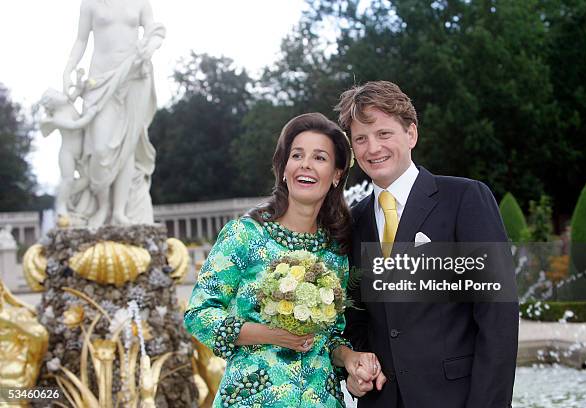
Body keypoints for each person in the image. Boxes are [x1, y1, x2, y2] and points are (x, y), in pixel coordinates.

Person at [336, 81, 519, 407]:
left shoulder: (465, 199)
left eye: (383, 133)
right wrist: (355, 372)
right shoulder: (354, 221)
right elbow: (356, 319)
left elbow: (498, 317)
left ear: (411, 135)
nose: (372, 147)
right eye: (360, 139)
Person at [184, 113, 380, 407]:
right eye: (297, 155)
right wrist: (270, 334)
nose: (305, 164)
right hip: (252, 397)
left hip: (321, 399)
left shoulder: (336, 251)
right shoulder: (245, 235)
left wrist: (351, 358)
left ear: (337, 174)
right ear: (284, 168)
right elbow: (199, 315)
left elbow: (331, 336)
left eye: (319, 158)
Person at [63, 0, 165, 227]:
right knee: (100, 148)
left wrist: (151, 45)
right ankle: (102, 206)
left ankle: (119, 212)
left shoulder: (140, 2)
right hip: (100, 79)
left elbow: (154, 30)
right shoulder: (90, 3)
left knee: (127, 146)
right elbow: (81, 40)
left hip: (134, 76)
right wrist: (68, 70)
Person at [39, 88, 97, 223]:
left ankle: (67, 196)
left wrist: (79, 80)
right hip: (67, 153)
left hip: (81, 153)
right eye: (57, 94)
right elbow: (75, 125)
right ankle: (61, 205)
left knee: (87, 180)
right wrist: (91, 114)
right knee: (68, 180)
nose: (61, 94)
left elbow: (76, 92)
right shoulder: (57, 118)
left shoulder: (66, 103)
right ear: (53, 103)